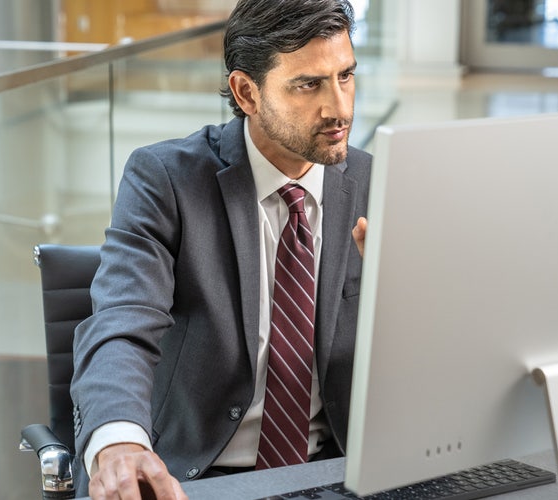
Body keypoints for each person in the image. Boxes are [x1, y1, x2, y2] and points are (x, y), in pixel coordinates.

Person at [70, 0, 371, 498]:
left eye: (345, 76)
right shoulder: (166, 180)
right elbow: (121, 322)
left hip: (334, 474)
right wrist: (120, 442)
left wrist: (409, 303)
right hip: (195, 476)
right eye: (308, 84)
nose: (339, 108)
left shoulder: (378, 185)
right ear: (246, 92)